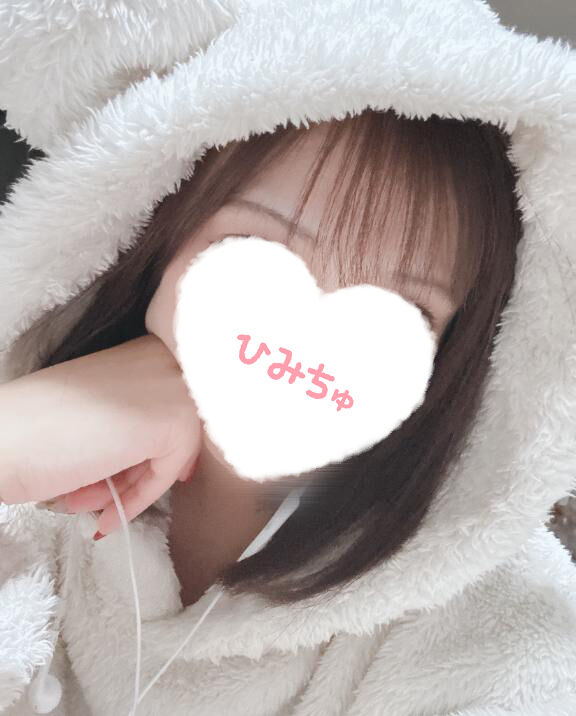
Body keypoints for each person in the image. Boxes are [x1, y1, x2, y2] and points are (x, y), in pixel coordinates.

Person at [1, 1, 576, 714]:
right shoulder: (36, 489)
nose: (307, 338)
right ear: (154, 232)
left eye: (406, 310)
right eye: (258, 248)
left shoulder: (504, 628)